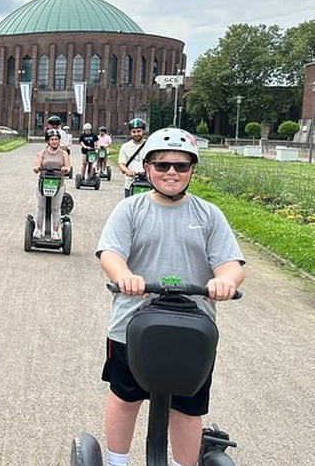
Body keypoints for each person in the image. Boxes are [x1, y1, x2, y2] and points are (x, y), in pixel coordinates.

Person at [95, 127, 245, 466]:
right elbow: (110, 254)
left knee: (187, 406)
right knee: (125, 397)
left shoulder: (208, 215)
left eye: (180, 165)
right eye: (162, 166)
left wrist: (225, 281)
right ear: (147, 168)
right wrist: (124, 277)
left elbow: (231, 265)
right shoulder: (130, 210)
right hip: (131, 325)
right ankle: (118, 462)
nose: (171, 173)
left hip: (192, 330)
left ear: (193, 169)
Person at [31, 128, 71, 240]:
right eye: (52, 139)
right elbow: (37, 164)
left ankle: (55, 232)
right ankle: (38, 230)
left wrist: (65, 169)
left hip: (58, 184)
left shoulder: (63, 154)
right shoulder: (42, 153)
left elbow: (68, 166)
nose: (54, 141)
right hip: (43, 183)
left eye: (56, 139)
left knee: (56, 208)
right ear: (48, 141)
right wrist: (36, 168)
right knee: (40, 207)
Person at [118, 118, 148, 197]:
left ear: (143, 131)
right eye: (133, 132)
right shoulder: (125, 146)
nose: (136, 134)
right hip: (130, 183)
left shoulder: (149, 145)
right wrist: (127, 171)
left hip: (147, 183)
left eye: (139, 131)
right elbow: (121, 163)